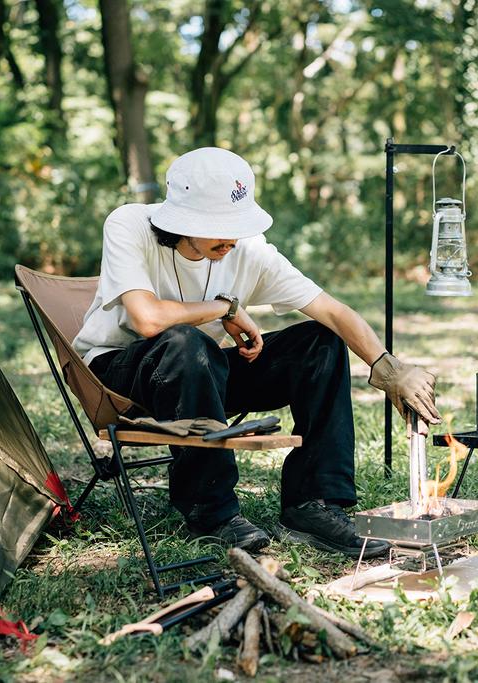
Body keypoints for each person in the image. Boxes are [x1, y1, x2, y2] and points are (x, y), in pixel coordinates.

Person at [73, 147, 440, 559]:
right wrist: (225, 307)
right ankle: (212, 513)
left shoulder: (248, 250)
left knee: (320, 342)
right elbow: (147, 319)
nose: (230, 238)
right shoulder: (129, 224)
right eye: (218, 226)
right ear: (184, 218)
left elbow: (333, 312)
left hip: (199, 379)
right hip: (120, 375)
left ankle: (312, 504)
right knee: (184, 341)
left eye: (236, 224)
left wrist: (390, 368)